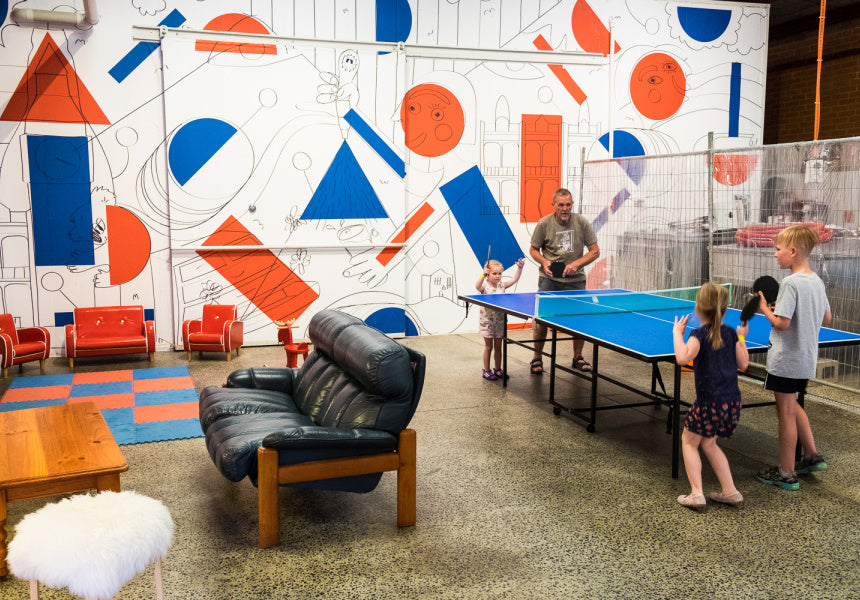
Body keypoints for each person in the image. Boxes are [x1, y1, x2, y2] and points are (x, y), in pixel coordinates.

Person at [755, 225, 832, 490]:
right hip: (805, 359)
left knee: (785, 413)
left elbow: (782, 324)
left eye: (778, 249)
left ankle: (786, 474)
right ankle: (810, 456)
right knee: (794, 405)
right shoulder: (816, 280)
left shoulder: (790, 282)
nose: (775, 254)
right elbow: (826, 317)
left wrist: (766, 309)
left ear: (793, 251)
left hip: (786, 360)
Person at [672, 282, 749, 508]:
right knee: (709, 443)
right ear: (725, 308)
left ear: (698, 308)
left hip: (708, 402)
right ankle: (730, 491)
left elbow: (682, 358)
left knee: (688, 441)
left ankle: (697, 494)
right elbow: (744, 364)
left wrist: (677, 334)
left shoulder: (699, 335)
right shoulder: (731, 333)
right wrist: (742, 338)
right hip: (731, 402)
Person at [529, 188, 599, 374]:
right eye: (561, 205)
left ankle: (577, 357)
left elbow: (595, 251)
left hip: (575, 280)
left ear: (572, 204)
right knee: (542, 320)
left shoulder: (581, 222)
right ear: (553, 205)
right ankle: (537, 357)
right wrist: (544, 261)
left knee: (579, 320)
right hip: (550, 279)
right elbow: (533, 250)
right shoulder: (544, 224)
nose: (565, 208)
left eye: (568, 204)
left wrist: (577, 263)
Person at [475, 258, 524, 380]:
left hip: (500, 321)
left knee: (498, 347)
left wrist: (520, 268)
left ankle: (497, 369)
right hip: (487, 322)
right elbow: (477, 286)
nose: (498, 276)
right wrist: (482, 274)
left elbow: (514, 280)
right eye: (494, 273)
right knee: (488, 347)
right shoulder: (485, 287)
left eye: (500, 273)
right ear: (488, 274)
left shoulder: (502, 285)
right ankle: (486, 371)